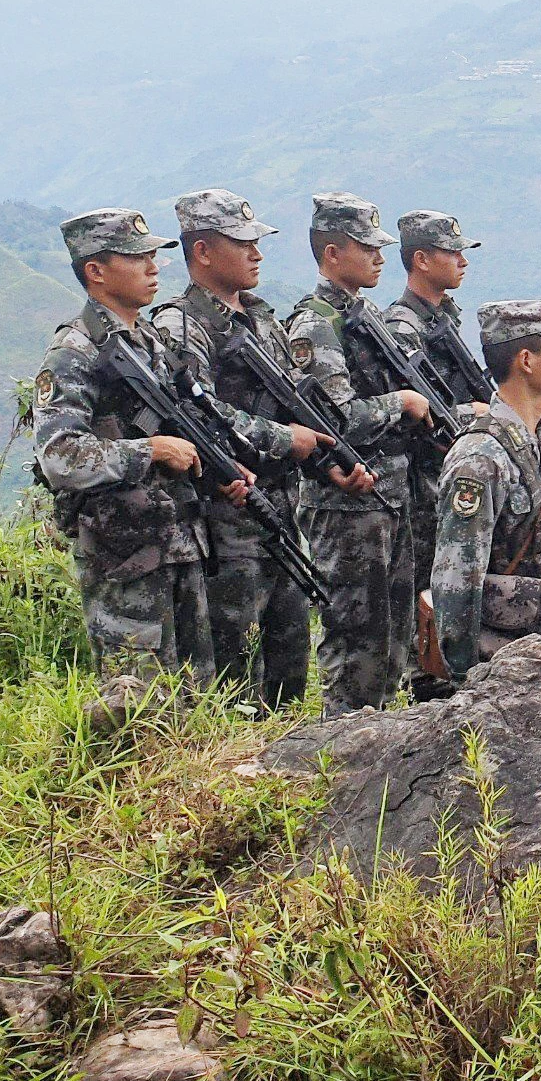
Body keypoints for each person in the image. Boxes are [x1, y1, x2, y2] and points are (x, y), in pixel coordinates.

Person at [153, 188, 364, 710]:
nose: (257, 253)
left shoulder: (262, 319)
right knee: (236, 674)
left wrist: (325, 465)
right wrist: (284, 440)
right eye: (242, 243)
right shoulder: (181, 325)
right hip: (227, 516)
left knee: (289, 663)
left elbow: (293, 404)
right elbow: (200, 416)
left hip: (280, 512)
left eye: (256, 241)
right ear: (203, 251)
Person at [33, 208, 233, 682]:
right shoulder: (75, 351)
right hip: (124, 557)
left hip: (179, 544)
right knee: (137, 698)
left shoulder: (149, 343)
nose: (153, 267)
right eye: (136, 257)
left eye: (152, 256)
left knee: (195, 695)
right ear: (96, 271)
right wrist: (151, 451)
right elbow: (60, 456)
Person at [286, 193, 433, 716]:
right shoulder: (316, 324)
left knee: (393, 640)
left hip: (388, 496)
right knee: (355, 644)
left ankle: (382, 745)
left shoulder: (365, 316)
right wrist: (401, 403)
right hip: (347, 506)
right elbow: (335, 418)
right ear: (332, 253)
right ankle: (344, 747)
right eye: (366, 247)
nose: (378, 257)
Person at [431, 300, 541, 682]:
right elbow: (456, 581)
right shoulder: (481, 457)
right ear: (526, 361)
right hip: (500, 667)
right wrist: (467, 680)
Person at [385, 210, 489, 607]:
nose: (463, 261)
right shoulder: (403, 327)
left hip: (446, 479)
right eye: (452, 252)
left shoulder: (442, 319)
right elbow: (411, 416)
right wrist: (474, 414)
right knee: (425, 603)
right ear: (421, 260)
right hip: (421, 487)